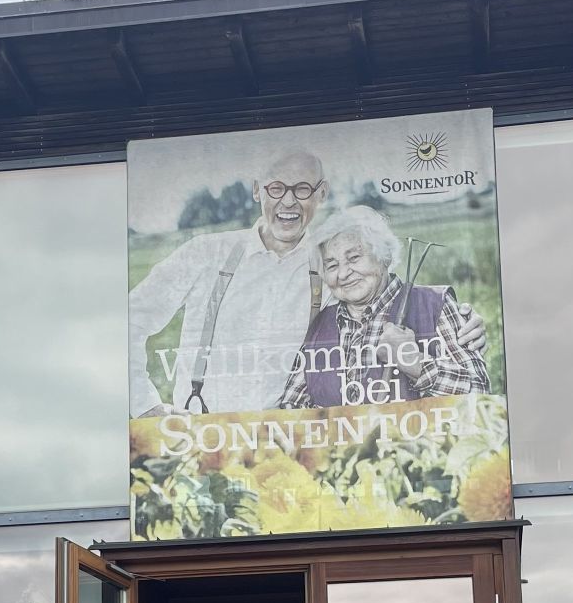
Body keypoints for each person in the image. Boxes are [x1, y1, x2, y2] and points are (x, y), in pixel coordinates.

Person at [129, 146, 333, 417]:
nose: (288, 201)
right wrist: (144, 405)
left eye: (302, 189)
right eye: (276, 188)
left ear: (322, 193)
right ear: (257, 190)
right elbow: (129, 319)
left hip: (292, 433)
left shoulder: (334, 267)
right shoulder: (205, 253)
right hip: (203, 431)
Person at [282, 205, 490, 408]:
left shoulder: (434, 306)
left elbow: (480, 396)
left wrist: (415, 363)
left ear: (385, 256)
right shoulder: (317, 325)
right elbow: (291, 407)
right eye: (332, 265)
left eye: (354, 258)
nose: (343, 273)